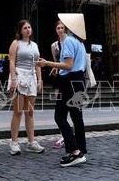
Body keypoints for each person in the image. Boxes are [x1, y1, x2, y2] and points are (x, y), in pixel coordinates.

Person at [37, 14, 89, 168]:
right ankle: (80, 149)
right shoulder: (79, 42)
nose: (61, 27)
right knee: (76, 117)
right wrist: (56, 67)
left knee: (59, 116)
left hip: (70, 82)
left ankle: (75, 152)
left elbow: (68, 65)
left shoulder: (68, 42)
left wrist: (47, 63)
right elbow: (78, 65)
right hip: (78, 82)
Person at [7, 19, 45, 155]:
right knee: (18, 111)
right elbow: (11, 61)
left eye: (29, 27)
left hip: (31, 78)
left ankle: (31, 142)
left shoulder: (35, 45)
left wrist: (40, 79)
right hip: (19, 75)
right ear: (20, 30)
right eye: (25, 28)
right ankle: (14, 142)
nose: (28, 30)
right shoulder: (15, 43)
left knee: (30, 111)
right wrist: (13, 78)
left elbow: (37, 63)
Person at [50, 21, 66, 150]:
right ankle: (64, 136)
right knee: (60, 108)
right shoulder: (54, 45)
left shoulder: (70, 43)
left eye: (62, 28)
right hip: (59, 78)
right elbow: (56, 61)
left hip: (70, 78)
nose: (60, 30)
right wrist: (54, 68)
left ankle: (68, 136)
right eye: (58, 28)